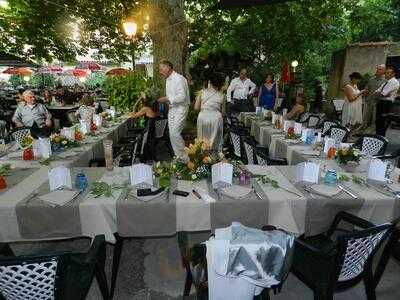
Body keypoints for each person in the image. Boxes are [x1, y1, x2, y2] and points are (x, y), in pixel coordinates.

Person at [157, 60, 190, 162]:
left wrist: (167, 99)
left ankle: (185, 158)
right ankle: (178, 157)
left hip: (181, 108)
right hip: (172, 109)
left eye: (161, 68)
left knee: (175, 133)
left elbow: (182, 97)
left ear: (167, 67)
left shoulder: (179, 79)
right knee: (171, 134)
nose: (160, 71)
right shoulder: (167, 80)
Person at [195, 74, 224, 151]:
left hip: (203, 117)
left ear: (210, 82)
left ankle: (202, 157)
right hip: (216, 118)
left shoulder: (202, 92)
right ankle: (215, 158)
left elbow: (196, 108)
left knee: (202, 140)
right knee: (215, 141)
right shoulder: (221, 95)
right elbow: (222, 112)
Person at [375, 66, 400, 136]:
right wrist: (380, 93)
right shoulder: (386, 82)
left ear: (393, 74)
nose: (386, 74)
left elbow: (383, 94)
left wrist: (380, 93)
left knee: (382, 122)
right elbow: (376, 91)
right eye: (386, 73)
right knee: (378, 121)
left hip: (386, 103)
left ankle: (380, 138)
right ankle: (378, 136)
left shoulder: (394, 82)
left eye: (388, 73)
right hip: (381, 102)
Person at [362, 65, 386, 131]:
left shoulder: (386, 81)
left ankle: (372, 131)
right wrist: (365, 92)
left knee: (374, 119)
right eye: (377, 69)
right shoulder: (371, 79)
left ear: (384, 71)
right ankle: (363, 129)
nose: (377, 71)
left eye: (380, 69)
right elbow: (366, 88)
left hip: (378, 103)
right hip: (369, 101)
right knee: (366, 118)